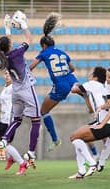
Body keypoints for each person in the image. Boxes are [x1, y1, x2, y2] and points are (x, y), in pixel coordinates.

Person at [0, 11, 41, 174]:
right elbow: (29, 40)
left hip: (15, 91)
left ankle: (4, 139)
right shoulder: (16, 53)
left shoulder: (4, 56)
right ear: (9, 46)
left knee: (17, 120)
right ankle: (31, 151)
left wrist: (7, 29)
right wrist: (24, 26)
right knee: (36, 120)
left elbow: (7, 43)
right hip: (27, 89)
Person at [29, 13, 78, 151]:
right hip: (71, 81)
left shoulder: (44, 53)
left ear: (44, 45)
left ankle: (55, 139)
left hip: (60, 85)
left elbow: (31, 67)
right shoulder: (62, 52)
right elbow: (72, 69)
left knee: (43, 111)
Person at [69, 66, 110, 179]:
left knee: (74, 137)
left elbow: (73, 89)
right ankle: (81, 172)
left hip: (104, 123)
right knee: (78, 138)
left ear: (94, 77)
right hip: (107, 123)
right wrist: (85, 95)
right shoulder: (100, 87)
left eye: (91, 74)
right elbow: (91, 110)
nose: (89, 76)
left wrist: (72, 81)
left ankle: (92, 163)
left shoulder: (92, 84)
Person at [0, 70, 28, 174]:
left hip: (9, 121)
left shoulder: (13, 87)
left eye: (9, 74)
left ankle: (22, 163)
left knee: (4, 144)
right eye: (6, 73)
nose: (7, 76)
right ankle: (10, 158)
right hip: (3, 120)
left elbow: (21, 98)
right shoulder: (5, 87)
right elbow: (8, 102)